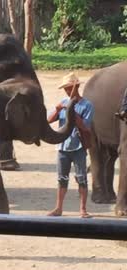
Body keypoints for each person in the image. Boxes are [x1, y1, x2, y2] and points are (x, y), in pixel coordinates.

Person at [47, 72, 94, 218]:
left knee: (81, 178)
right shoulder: (63, 102)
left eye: (69, 88)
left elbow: (85, 127)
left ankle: (83, 209)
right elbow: (48, 120)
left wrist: (72, 110)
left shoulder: (87, 105)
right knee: (62, 178)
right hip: (62, 146)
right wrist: (58, 108)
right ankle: (59, 208)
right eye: (66, 88)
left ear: (77, 87)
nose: (67, 91)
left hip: (78, 146)